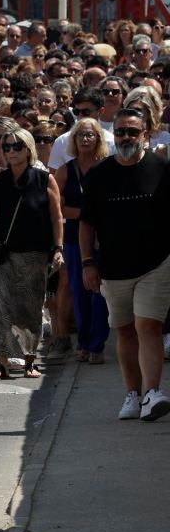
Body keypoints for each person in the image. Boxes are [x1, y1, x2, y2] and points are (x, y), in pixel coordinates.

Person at [79, 108, 170, 421]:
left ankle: (152, 393)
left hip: (157, 263)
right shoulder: (99, 175)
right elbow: (86, 224)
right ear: (113, 135)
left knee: (149, 325)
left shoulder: (163, 168)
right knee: (125, 331)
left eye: (133, 131)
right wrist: (87, 263)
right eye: (121, 132)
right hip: (113, 267)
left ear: (145, 134)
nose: (127, 137)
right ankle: (132, 394)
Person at [0, 128, 64, 381]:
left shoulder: (43, 179)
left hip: (35, 251)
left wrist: (58, 248)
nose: (10, 151)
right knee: (3, 307)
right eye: (6, 146)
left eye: (16, 146)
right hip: (4, 250)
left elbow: (56, 216)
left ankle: (30, 360)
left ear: (28, 148)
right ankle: (2, 362)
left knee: (30, 308)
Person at [55, 117, 110, 365]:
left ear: (98, 138)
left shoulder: (108, 167)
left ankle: (97, 345)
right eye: (81, 135)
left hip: (105, 239)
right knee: (79, 290)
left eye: (90, 135)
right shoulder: (66, 169)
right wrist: (85, 214)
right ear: (73, 140)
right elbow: (56, 206)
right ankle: (83, 342)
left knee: (101, 293)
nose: (86, 139)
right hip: (74, 238)